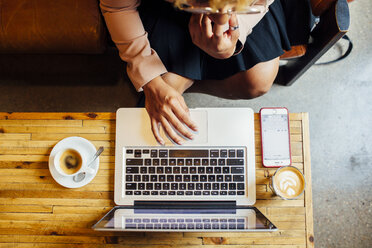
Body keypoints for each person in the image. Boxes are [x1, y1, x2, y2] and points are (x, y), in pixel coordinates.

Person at [100, 0, 291, 145]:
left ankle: (187, 76)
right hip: (165, 9)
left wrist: (237, 30)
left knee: (258, 82)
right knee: (153, 119)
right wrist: (151, 80)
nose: (220, 20)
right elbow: (118, 7)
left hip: (247, 13)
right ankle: (182, 75)